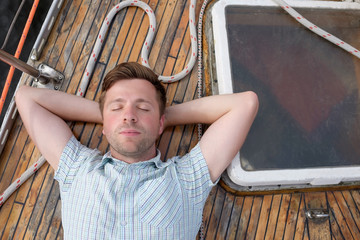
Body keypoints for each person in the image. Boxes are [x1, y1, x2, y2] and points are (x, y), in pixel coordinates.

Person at [15, 62, 258, 239]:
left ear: (161, 123)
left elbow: (245, 104)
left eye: (142, 108)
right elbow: (26, 97)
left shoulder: (187, 179)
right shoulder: (76, 168)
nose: (129, 116)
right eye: (118, 108)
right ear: (103, 125)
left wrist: (154, 118)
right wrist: (117, 118)